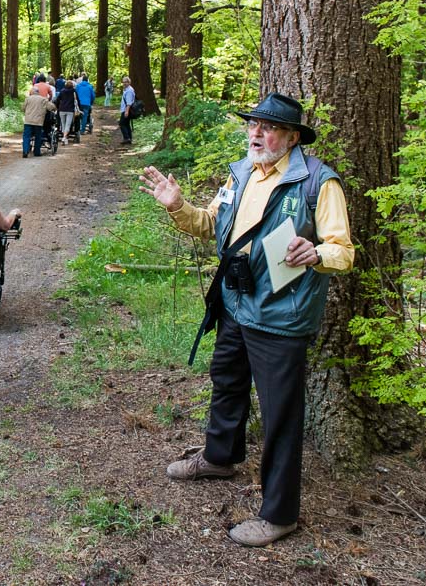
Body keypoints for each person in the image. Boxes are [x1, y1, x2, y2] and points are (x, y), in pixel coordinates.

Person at [139, 92, 354, 548]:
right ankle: (220, 457)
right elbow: (211, 226)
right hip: (237, 302)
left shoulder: (318, 182)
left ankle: (279, 514)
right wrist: (177, 205)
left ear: (292, 137)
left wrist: (317, 252)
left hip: (280, 316)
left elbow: (343, 250)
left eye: (268, 127)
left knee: (279, 413)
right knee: (227, 379)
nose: (256, 134)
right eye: (252, 125)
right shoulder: (240, 172)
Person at [21, 88, 56, 157]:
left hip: (28, 121)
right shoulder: (43, 99)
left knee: (26, 136)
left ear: (32, 93)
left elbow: (23, 108)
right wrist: (54, 108)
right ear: (38, 93)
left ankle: (25, 151)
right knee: (38, 136)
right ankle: (37, 152)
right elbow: (51, 107)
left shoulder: (28, 99)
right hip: (38, 122)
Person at [55, 78, 79, 145]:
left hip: (61, 110)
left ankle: (65, 139)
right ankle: (64, 138)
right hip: (70, 110)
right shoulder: (74, 91)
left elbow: (57, 100)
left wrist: (57, 107)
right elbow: (77, 100)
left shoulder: (62, 91)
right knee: (68, 125)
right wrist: (79, 108)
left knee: (63, 125)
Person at [118, 76, 136, 145]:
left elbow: (129, 103)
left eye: (126, 82)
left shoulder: (129, 91)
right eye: (123, 82)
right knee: (127, 124)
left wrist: (126, 111)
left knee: (121, 123)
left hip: (126, 110)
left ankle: (126, 138)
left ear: (129, 82)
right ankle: (129, 138)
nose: (124, 83)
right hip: (125, 109)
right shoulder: (127, 90)